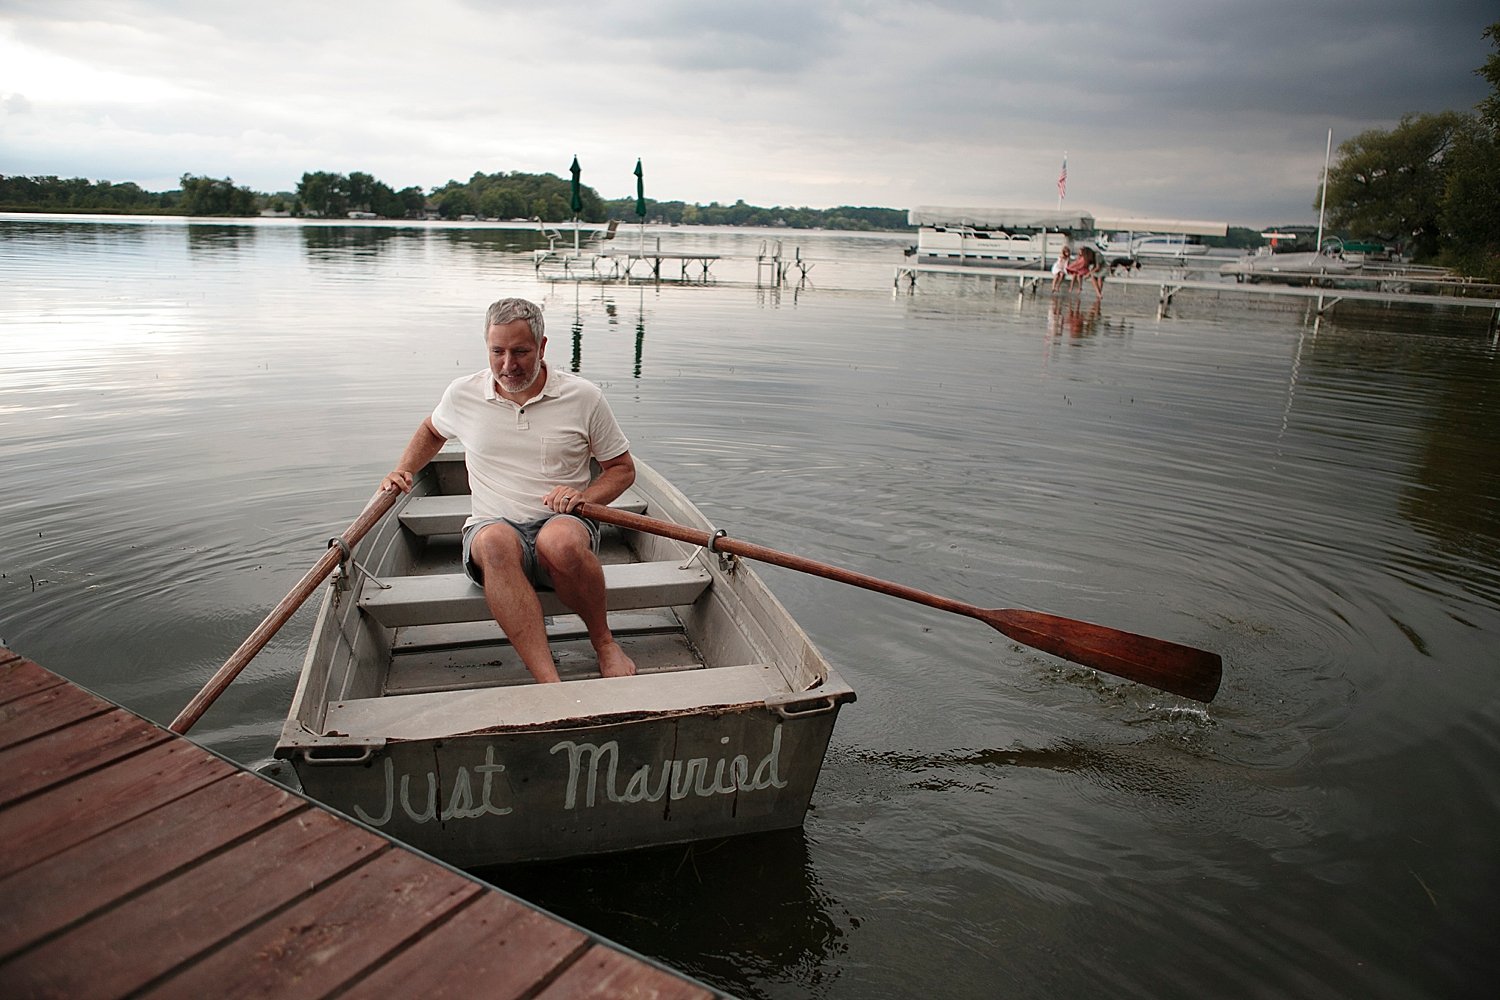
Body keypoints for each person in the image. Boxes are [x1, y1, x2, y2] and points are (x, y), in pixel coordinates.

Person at [380, 297, 638, 683]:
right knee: (496, 542)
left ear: (542, 346)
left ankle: (604, 643)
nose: (507, 365)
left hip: (564, 523)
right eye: (497, 352)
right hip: (492, 527)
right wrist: (403, 469)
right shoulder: (463, 393)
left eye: (520, 352)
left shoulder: (583, 397)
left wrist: (585, 498)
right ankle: (549, 681)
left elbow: (621, 469)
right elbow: (432, 431)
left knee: (561, 541)